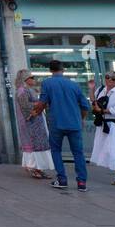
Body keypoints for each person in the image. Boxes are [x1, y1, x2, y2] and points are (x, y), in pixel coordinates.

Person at [39, 60, 91, 191]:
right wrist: (81, 118)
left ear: (50, 71)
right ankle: (82, 183)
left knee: (56, 151)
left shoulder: (47, 83)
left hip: (56, 123)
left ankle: (62, 179)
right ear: (63, 70)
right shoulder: (74, 85)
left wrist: (36, 111)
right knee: (78, 153)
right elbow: (85, 106)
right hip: (74, 124)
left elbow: (42, 103)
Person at [13, 69, 54, 180]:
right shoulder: (22, 91)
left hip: (35, 121)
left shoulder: (27, 90)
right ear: (25, 79)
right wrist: (39, 104)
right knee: (35, 145)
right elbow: (25, 106)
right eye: (31, 77)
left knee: (39, 145)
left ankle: (38, 168)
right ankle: (35, 168)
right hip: (31, 123)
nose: (33, 79)